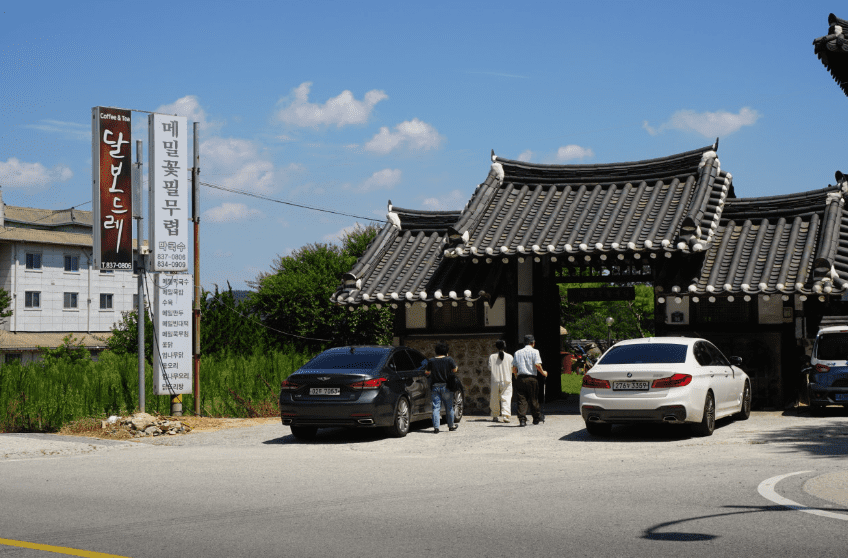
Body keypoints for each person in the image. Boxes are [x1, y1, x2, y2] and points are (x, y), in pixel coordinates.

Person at [512, 334, 547, 427]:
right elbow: (537, 365)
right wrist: (543, 373)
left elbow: (514, 368)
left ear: (524, 343)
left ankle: (522, 420)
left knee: (521, 399)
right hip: (531, 378)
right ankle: (536, 418)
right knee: (533, 398)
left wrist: (516, 376)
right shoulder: (535, 352)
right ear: (533, 343)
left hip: (521, 378)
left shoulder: (517, 352)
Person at [425, 342, 458, 433]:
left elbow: (427, 372)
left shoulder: (431, 361)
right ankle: (451, 426)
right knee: (449, 407)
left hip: (435, 386)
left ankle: (436, 427)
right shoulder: (449, 359)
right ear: (446, 351)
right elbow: (455, 369)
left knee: (436, 407)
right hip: (447, 386)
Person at [488, 340, 513, 423]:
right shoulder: (510, 357)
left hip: (495, 380)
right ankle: (506, 416)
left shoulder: (492, 357)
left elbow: (489, 367)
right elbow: (513, 369)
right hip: (507, 380)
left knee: (494, 398)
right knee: (506, 398)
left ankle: (495, 415)